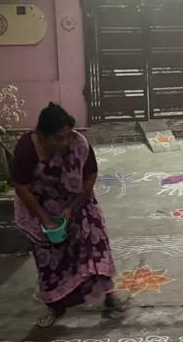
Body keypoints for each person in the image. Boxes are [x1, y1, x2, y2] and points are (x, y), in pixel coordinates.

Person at [12, 103, 127, 328]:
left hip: (76, 200)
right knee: (51, 259)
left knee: (94, 243)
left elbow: (91, 174)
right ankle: (57, 306)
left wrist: (73, 206)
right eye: (58, 138)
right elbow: (21, 188)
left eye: (67, 136)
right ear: (42, 135)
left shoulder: (78, 144)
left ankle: (108, 295)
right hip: (39, 207)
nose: (65, 143)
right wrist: (46, 219)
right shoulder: (26, 149)